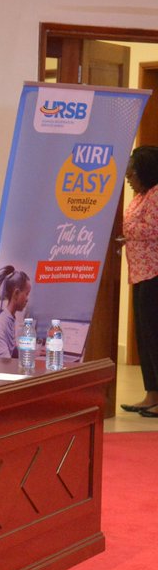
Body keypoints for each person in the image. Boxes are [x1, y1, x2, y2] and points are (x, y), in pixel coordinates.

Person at [121, 146, 158, 415]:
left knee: (154, 337)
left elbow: (151, 229)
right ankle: (152, 394)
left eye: (131, 172)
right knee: (145, 338)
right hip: (140, 273)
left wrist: (128, 233)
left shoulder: (157, 195)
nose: (128, 177)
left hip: (155, 274)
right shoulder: (142, 196)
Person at [0, 265, 31, 358]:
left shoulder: (10, 320)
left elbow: (12, 351)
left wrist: (34, 352)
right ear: (16, 293)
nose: (27, 299)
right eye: (26, 294)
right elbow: (5, 363)